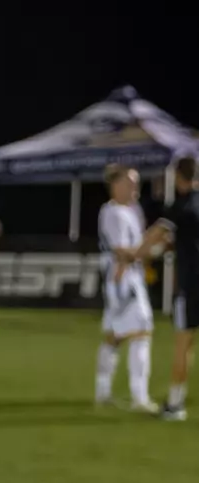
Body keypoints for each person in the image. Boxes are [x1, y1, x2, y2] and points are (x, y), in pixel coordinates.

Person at [93, 165, 160, 413]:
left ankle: (102, 392)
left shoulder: (130, 210)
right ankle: (140, 397)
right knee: (142, 331)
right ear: (115, 185)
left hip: (127, 278)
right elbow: (123, 252)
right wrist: (154, 240)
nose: (135, 188)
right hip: (123, 280)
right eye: (130, 183)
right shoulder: (114, 213)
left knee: (116, 336)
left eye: (137, 183)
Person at [150, 156, 196, 421]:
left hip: (190, 286)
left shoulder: (180, 206)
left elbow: (157, 234)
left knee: (184, 344)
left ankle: (175, 405)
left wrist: (134, 254)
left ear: (178, 177)